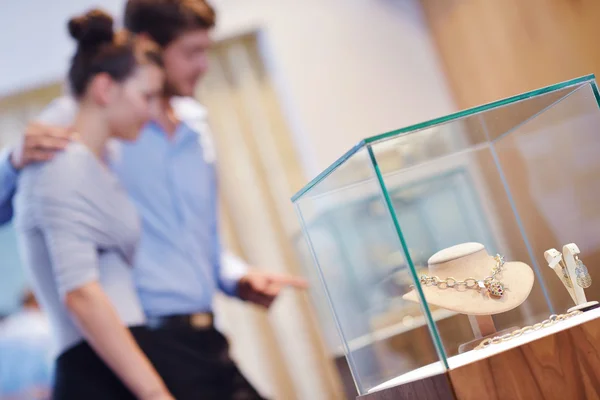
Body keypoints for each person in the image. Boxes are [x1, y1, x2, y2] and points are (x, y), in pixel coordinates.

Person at [0, 1, 307, 398]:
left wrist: (235, 277)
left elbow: (202, 241)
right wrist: (12, 161)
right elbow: (38, 217)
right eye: (192, 52)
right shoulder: (85, 120)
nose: (204, 66)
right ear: (148, 46)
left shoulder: (196, 128)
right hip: (146, 342)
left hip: (205, 335)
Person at [12, 9, 175, 400]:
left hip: (115, 358)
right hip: (95, 372)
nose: (153, 113)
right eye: (146, 96)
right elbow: (81, 295)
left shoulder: (103, 163)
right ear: (104, 89)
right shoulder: (64, 166)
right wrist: (156, 394)